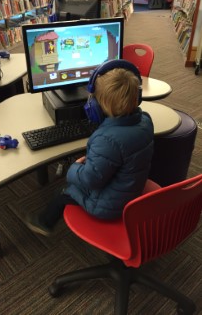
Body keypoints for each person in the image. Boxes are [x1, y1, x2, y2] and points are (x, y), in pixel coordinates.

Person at [25, 60, 154, 236]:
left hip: (108, 206)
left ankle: (43, 223)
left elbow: (91, 180)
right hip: (131, 191)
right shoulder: (145, 120)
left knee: (63, 191)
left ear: (96, 107)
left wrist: (74, 168)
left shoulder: (106, 139)